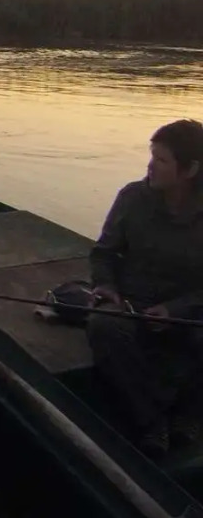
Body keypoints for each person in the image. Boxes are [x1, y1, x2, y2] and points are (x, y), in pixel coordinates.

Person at [88, 119, 203, 457]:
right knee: (103, 326)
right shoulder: (132, 198)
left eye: (161, 160)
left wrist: (177, 311)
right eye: (151, 156)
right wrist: (106, 287)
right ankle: (152, 421)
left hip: (189, 314)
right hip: (130, 305)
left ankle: (188, 417)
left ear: (191, 169)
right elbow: (103, 254)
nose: (150, 166)